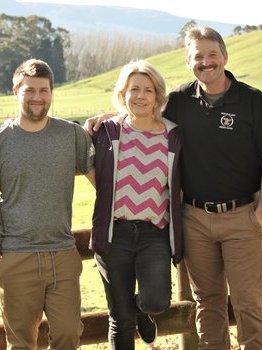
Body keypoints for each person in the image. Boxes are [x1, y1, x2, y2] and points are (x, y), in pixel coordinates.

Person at [86, 26, 262, 350]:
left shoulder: (252, 101)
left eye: (212, 55)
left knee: (248, 303)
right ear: (188, 61)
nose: (206, 62)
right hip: (194, 219)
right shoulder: (180, 100)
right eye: (198, 57)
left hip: (242, 217)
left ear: (224, 56)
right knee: (207, 302)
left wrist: (261, 214)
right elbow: (142, 112)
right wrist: (108, 117)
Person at [0, 58, 95, 350]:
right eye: (29, 90)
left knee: (68, 336)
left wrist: (116, 117)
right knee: (22, 344)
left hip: (62, 254)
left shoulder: (71, 135)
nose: (37, 97)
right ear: (15, 92)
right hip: (17, 257)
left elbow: (103, 181)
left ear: (51, 92)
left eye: (44, 90)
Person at [89, 60, 183, 349]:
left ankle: (142, 311)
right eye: (133, 90)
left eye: (148, 90)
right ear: (123, 94)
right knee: (120, 319)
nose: (140, 96)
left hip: (154, 234)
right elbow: (87, 165)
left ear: (158, 96)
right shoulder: (107, 131)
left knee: (156, 301)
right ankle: (131, 312)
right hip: (114, 233)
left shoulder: (173, 135)